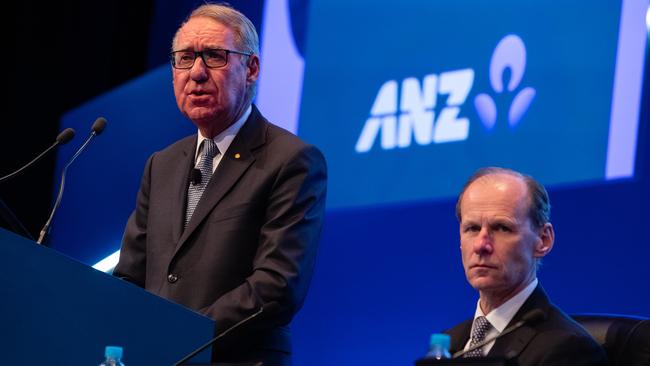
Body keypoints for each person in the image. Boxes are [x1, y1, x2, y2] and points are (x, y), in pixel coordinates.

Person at [113, 3, 327, 365]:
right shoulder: (161, 165)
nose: (196, 73)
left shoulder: (291, 160)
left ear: (251, 69)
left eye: (214, 56)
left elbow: (277, 287)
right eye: (185, 58)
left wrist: (181, 333)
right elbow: (130, 276)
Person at [445, 167, 607, 365]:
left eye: (502, 228)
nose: (481, 245)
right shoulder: (450, 344)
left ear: (543, 240)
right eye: (472, 228)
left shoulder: (569, 348)